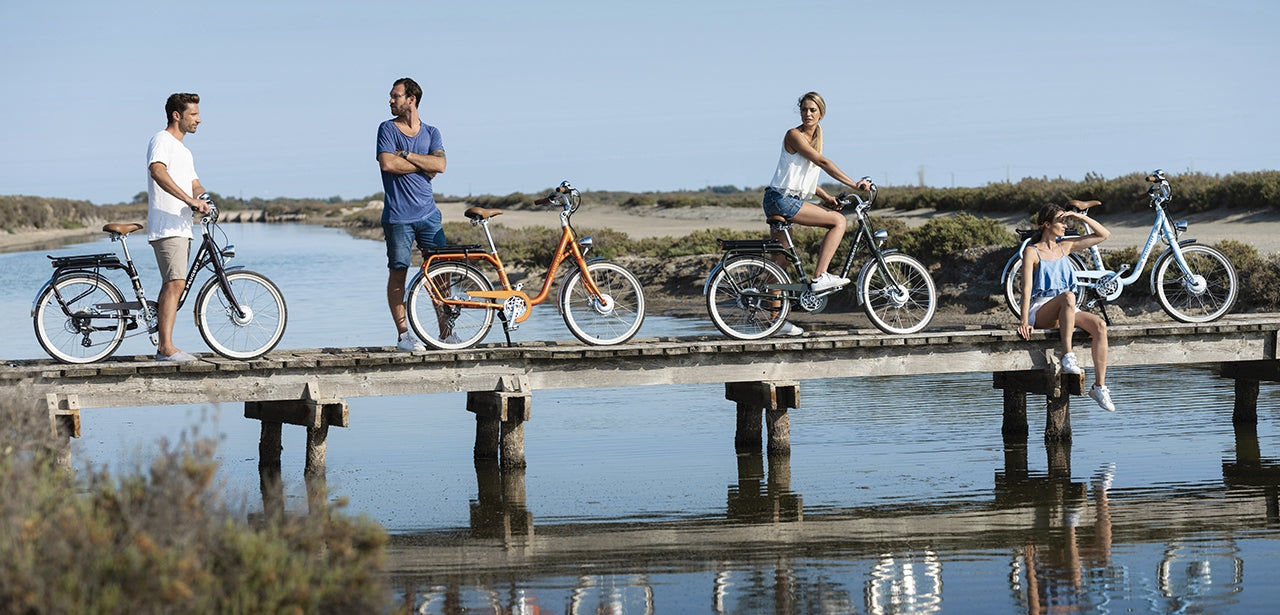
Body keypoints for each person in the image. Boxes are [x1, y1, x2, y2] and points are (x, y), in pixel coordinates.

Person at [762, 92, 871, 336]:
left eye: (812, 110)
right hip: (782, 200)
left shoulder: (815, 138)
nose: (808, 114)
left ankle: (774, 322)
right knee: (838, 221)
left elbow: (804, 176)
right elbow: (821, 163)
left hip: (777, 200)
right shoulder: (794, 135)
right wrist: (854, 185)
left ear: (821, 113)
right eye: (804, 110)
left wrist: (825, 197)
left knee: (779, 262)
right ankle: (820, 276)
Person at [1016, 203, 1115, 411]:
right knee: (1069, 297)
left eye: (1066, 220)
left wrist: (1081, 218)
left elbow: (1103, 234)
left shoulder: (1065, 246)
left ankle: (1099, 387)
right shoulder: (1031, 252)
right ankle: (1068, 355)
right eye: (1061, 221)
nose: (1065, 225)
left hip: (1067, 307)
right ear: (1046, 225)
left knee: (1100, 326)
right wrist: (1024, 321)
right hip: (1043, 308)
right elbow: (1025, 290)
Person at [376, 77, 447, 352]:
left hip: (428, 215)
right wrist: (422, 164)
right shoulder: (387, 129)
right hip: (397, 217)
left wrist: (406, 155)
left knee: (440, 274)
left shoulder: (432, 132)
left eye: (396, 96)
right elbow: (387, 163)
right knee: (398, 273)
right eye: (391, 96)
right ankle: (404, 336)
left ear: (411, 99)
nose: (391, 101)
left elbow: (439, 165)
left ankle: (446, 333)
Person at [147, 92, 212, 362]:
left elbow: (194, 183)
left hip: (182, 226)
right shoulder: (162, 140)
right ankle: (165, 348)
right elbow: (157, 171)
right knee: (175, 283)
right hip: (167, 226)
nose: (199, 119)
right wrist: (188, 200)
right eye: (193, 114)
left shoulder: (184, 151)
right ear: (177, 115)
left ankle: (166, 344)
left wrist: (204, 198)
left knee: (176, 284)